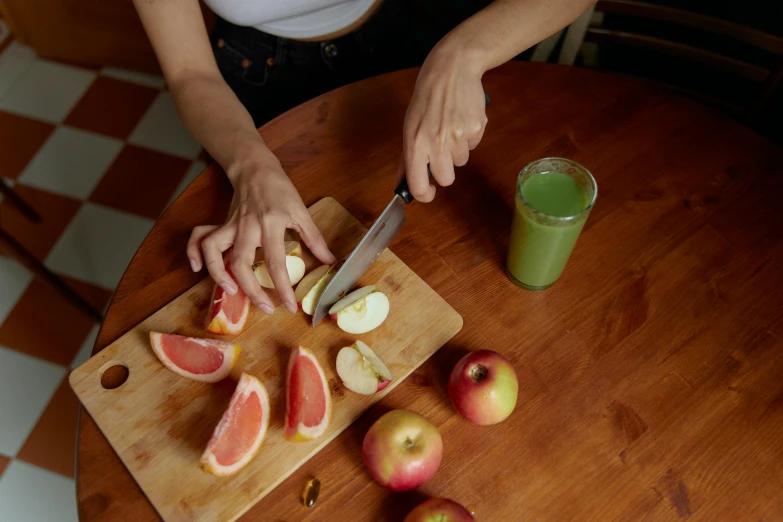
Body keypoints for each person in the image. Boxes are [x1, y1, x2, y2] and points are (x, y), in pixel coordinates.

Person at [132, 0, 594, 315]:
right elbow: (190, 72)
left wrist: (461, 56)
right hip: (263, 75)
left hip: (422, 31)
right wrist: (251, 164)